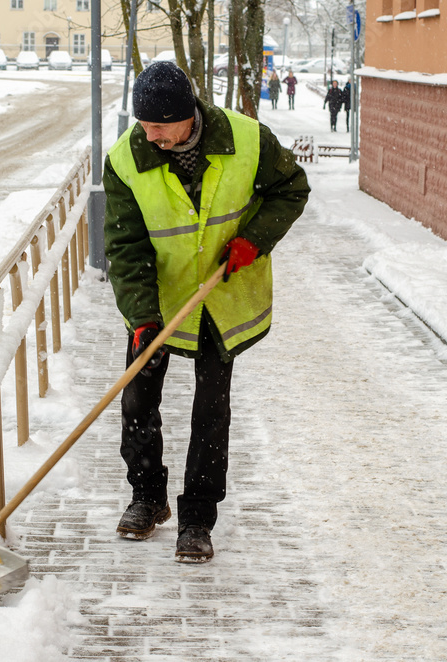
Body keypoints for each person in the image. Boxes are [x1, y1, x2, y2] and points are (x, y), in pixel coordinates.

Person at [102, 61, 310, 563]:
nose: (150, 135)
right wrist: (142, 314)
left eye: (160, 126)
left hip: (222, 296)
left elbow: (292, 189)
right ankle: (147, 498)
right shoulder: (125, 160)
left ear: (188, 115)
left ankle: (197, 517)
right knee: (138, 399)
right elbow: (126, 246)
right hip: (160, 299)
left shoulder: (248, 140)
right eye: (144, 124)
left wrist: (253, 242)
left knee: (210, 410)